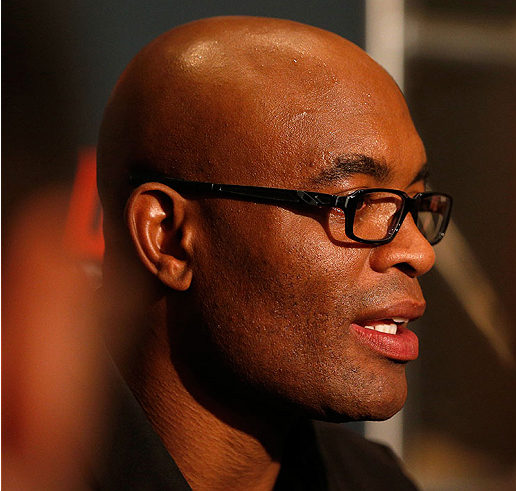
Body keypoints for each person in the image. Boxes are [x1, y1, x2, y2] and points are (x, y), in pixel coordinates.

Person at [94, 16, 452, 491]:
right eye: (355, 201)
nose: (419, 252)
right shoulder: (27, 466)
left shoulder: (374, 481)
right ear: (169, 238)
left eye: (415, 202)